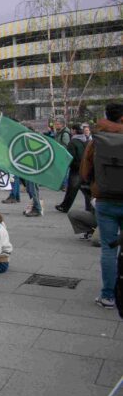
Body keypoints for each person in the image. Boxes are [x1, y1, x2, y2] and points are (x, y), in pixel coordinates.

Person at [80, 102, 123, 309]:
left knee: (108, 248)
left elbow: (84, 173)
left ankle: (108, 296)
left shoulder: (96, 140)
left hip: (105, 199)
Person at [56, 124, 92, 213]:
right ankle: (89, 208)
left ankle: (65, 207)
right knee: (87, 189)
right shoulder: (87, 141)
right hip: (86, 168)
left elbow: (69, 157)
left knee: (72, 189)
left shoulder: (73, 142)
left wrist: (67, 165)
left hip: (76, 169)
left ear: (74, 131)